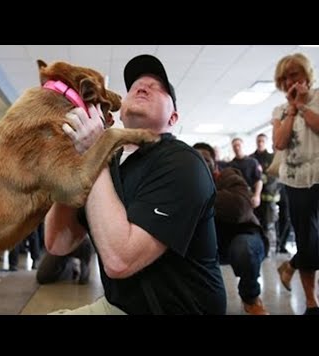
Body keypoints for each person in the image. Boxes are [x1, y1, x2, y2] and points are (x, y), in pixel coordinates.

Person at [45, 54, 226, 315]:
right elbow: (58, 243)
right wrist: (74, 161)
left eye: (158, 87)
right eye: (135, 86)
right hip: (119, 306)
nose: (142, 86)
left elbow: (120, 260)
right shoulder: (111, 164)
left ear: (173, 118)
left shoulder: (184, 163)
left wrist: (96, 152)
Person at [193, 142, 269, 315]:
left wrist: (198, 194)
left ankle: (251, 298)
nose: (201, 163)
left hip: (243, 236)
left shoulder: (228, 175)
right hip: (212, 243)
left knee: (245, 249)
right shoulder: (185, 183)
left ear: (214, 162)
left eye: (205, 159)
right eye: (196, 159)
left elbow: (239, 208)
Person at [272, 53, 319, 315]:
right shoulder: (279, 110)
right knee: (306, 239)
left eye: (295, 75)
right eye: (285, 77)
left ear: (306, 75)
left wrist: (302, 106)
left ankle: (290, 265)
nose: (291, 80)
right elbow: (279, 142)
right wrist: (292, 109)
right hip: (296, 182)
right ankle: (312, 304)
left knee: (313, 242)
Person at [250, 133, 280, 251]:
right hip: (254, 200)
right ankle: (258, 247)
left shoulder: (272, 158)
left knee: (268, 226)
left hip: (269, 199)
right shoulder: (251, 158)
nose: (260, 143)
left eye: (262, 141)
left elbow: (274, 176)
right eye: (258, 141)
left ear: (265, 142)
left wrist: (261, 179)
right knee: (255, 225)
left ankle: (267, 249)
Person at [229, 137, 263, 210]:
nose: (237, 148)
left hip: (250, 197)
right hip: (236, 198)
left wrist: (257, 195)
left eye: (238, 145)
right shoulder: (230, 165)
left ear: (243, 146)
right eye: (234, 146)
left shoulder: (252, 162)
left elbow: (258, 180)